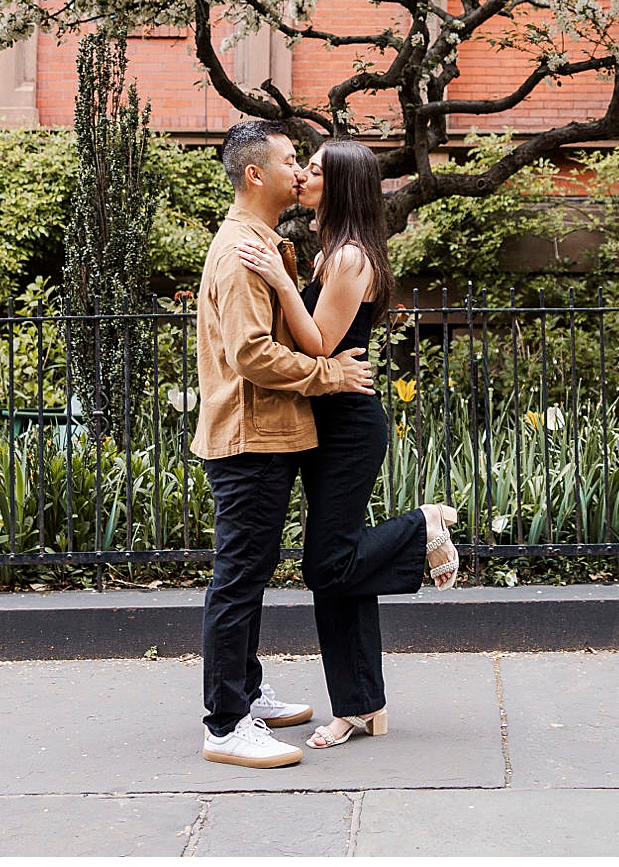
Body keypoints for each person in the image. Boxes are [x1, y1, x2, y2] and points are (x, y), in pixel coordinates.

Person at [235, 138, 461, 751]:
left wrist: (281, 283)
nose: (303, 175)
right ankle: (361, 707)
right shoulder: (330, 252)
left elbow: (320, 346)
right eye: (301, 166)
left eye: (315, 169)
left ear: (343, 185)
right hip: (325, 424)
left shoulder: (351, 258)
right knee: (342, 575)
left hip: (350, 427)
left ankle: (424, 525)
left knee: (326, 564)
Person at [193, 119, 376, 770]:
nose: (299, 170)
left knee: (250, 573)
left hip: (267, 435)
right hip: (252, 439)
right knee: (239, 579)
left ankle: (245, 692)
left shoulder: (262, 243)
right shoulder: (243, 252)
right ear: (255, 174)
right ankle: (225, 722)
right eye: (291, 159)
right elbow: (250, 354)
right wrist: (330, 373)